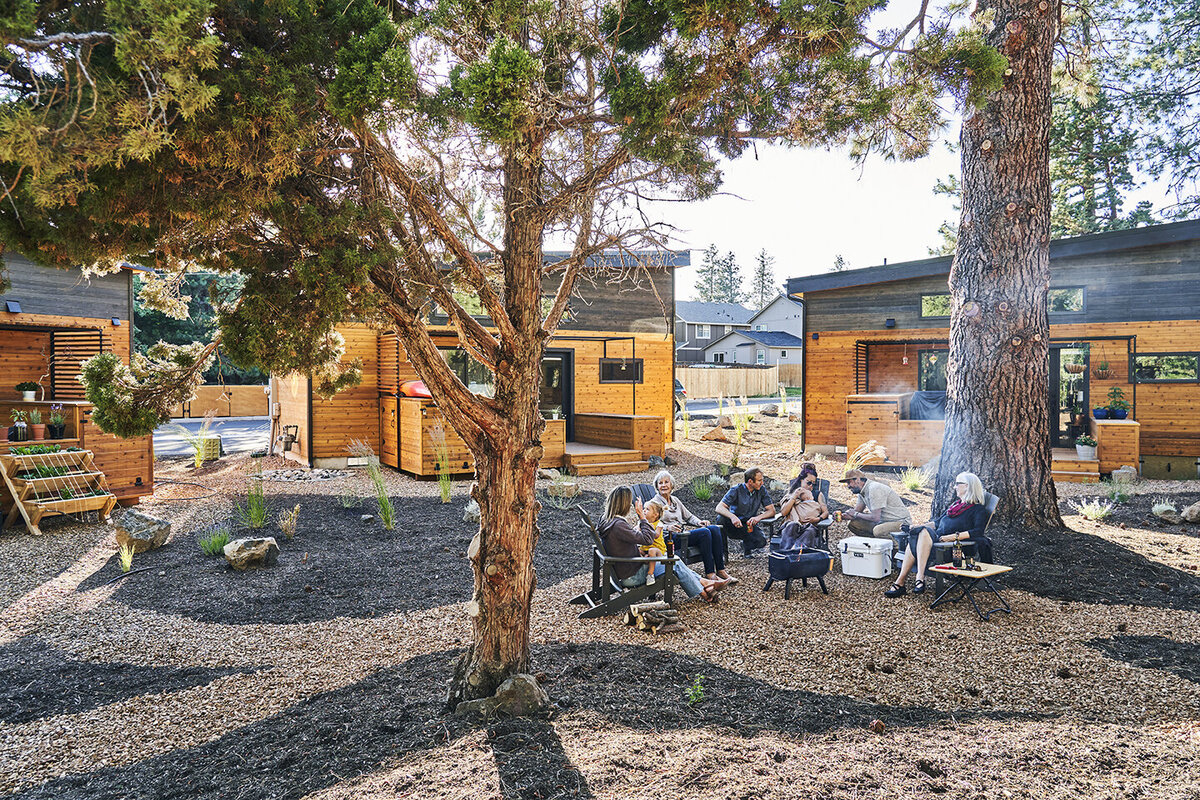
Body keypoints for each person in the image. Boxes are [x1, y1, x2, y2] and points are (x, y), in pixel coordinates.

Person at [598, 486, 726, 602]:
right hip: (632, 575)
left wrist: (640, 555)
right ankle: (704, 590)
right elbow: (648, 539)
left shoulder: (606, 521)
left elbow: (625, 544)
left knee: (674, 561)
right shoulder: (619, 525)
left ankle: (705, 586)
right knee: (674, 562)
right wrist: (642, 517)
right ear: (624, 504)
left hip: (626, 568)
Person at [885, 472, 990, 597]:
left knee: (920, 533)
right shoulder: (955, 506)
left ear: (967, 486)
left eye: (957, 484)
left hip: (949, 548)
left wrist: (953, 537)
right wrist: (918, 526)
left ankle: (907, 581)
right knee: (917, 533)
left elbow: (978, 531)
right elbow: (937, 523)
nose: (954, 487)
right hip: (934, 543)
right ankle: (912, 579)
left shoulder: (978, 510)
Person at [649, 469, 734, 583]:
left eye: (666, 482)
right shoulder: (654, 504)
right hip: (668, 539)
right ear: (657, 486)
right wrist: (667, 527)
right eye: (660, 483)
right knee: (704, 533)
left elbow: (688, 517)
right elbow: (649, 524)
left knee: (714, 529)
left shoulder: (675, 501)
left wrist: (699, 522)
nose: (664, 485)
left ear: (671, 484)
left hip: (681, 535)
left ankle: (721, 570)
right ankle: (710, 573)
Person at [716, 467, 776, 557]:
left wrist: (758, 517)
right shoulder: (736, 490)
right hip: (734, 524)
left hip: (748, 525)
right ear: (750, 481)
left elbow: (772, 511)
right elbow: (719, 507)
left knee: (761, 542)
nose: (762, 483)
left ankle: (746, 547)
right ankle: (723, 554)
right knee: (721, 519)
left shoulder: (761, 490)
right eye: (759, 480)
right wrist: (733, 517)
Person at [840, 469, 911, 539]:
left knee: (878, 531)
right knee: (854, 524)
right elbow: (857, 512)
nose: (848, 486)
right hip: (883, 522)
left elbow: (875, 518)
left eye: (849, 482)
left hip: (901, 522)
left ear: (858, 480)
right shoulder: (862, 491)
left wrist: (855, 514)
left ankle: (899, 547)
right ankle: (875, 546)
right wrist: (842, 516)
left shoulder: (874, 489)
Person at [778, 463, 829, 551]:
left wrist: (818, 519)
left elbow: (826, 512)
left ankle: (799, 556)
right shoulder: (791, 495)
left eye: (814, 483)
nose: (811, 486)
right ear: (801, 480)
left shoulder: (817, 495)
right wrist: (795, 496)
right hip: (792, 525)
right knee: (792, 526)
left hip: (809, 526)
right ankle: (786, 553)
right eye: (808, 483)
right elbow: (784, 513)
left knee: (810, 532)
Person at [639, 501, 668, 586]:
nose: (644, 511)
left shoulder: (659, 524)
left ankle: (650, 574)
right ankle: (645, 560)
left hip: (658, 550)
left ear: (655, 515)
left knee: (652, 551)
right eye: (644, 508)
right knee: (637, 550)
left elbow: (656, 535)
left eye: (647, 509)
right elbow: (636, 530)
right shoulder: (642, 522)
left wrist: (650, 529)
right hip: (645, 549)